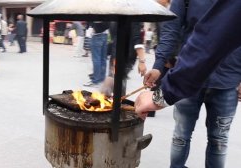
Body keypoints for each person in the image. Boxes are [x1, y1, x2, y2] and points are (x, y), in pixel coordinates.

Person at [135, 2, 241, 166]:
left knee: (218, 141)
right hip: (187, 77)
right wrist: (158, 65)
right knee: (181, 136)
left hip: (227, 79)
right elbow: (172, 29)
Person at [84, 21, 109, 87]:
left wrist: (93, 27)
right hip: (105, 35)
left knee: (96, 59)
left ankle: (95, 81)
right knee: (103, 59)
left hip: (97, 35)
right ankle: (101, 79)